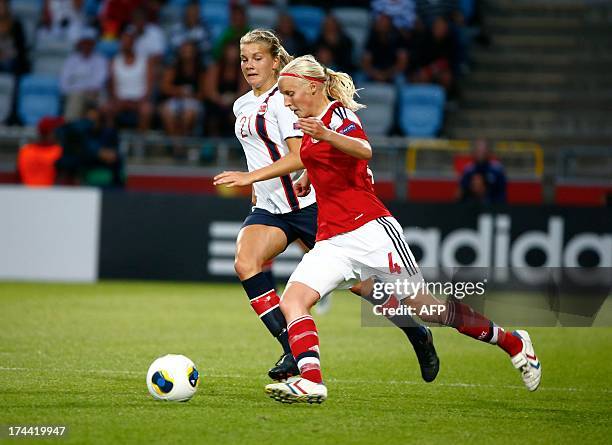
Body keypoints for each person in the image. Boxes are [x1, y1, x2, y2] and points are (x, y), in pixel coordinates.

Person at [240, 55, 540, 403]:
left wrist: (326, 135)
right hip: (331, 240)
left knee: (431, 310)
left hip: (371, 230)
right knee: (294, 301)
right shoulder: (307, 124)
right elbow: (325, 160)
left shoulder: (338, 116)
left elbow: (363, 150)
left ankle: (514, 341)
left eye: (291, 94)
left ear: (313, 86)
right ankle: (311, 380)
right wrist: (308, 176)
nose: (287, 102)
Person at [213, 30, 439, 384]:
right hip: (272, 207)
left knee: (364, 287)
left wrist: (248, 176)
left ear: (275, 61)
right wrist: (256, 189)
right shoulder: (241, 105)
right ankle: (291, 348)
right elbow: (259, 151)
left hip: (311, 203)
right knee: (246, 262)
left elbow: (298, 156)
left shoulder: (285, 100)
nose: (250, 65)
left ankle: (416, 332)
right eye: (244, 59)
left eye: (258, 58)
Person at [159, 40, 206, 157]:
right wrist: (179, 91)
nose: (187, 53)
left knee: (188, 114)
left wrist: (191, 95)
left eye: (190, 50)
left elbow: (203, 92)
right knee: (166, 111)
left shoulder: (200, 69)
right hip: (176, 98)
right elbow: (164, 87)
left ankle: (183, 145)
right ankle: (176, 146)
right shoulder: (174, 67)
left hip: (194, 100)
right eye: (185, 50)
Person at [104, 27, 154, 132]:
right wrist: (119, 100)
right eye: (123, 41)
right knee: (107, 108)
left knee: (146, 110)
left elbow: (149, 86)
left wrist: (139, 101)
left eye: (128, 41)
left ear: (133, 43)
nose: (126, 44)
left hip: (139, 101)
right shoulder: (114, 61)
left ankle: (140, 143)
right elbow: (111, 85)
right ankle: (110, 141)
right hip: (120, 100)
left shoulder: (144, 61)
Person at [59, 28, 108, 121]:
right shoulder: (71, 60)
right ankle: (70, 126)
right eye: (84, 43)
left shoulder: (100, 60)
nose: (86, 46)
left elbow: (99, 82)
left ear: (94, 44)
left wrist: (79, 87)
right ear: (80, 44)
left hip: (94, 95)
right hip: (75, 94)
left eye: (89, 43)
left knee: (100, 100)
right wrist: (78, 89)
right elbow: (64, 83)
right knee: (76, 97)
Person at [17, 116, 64, 186]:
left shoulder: (25, 150)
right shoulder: (58, 151)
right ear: (51, 133)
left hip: (26, 193)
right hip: (51, 194)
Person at [459, 139, 507, 204]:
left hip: (493, 206)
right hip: (471, 208)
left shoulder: (497, 170)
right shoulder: (468, 170)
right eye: (479, 150)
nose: (481, 153)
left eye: (483, 150)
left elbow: (502, 194)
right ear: (474, 152)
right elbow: (461, 193)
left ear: (488, 152)